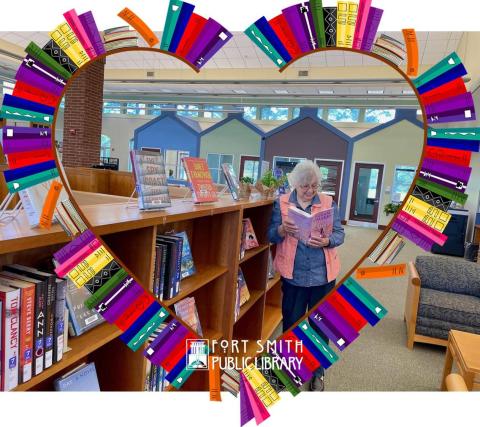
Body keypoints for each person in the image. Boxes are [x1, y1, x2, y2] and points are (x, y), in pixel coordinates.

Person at [268, 160, 345, 391]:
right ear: (295, 185)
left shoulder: (328, 202)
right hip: (294, 276)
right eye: (305, 187)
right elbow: (271, 235)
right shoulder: (281, 203)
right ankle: (287, 370)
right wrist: (282, 230)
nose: (310, 191)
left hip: (323, 276)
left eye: (314, 186)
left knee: (320, 327)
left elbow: (340, 234)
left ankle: (317, 373)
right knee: (291, 324)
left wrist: (326, 240)